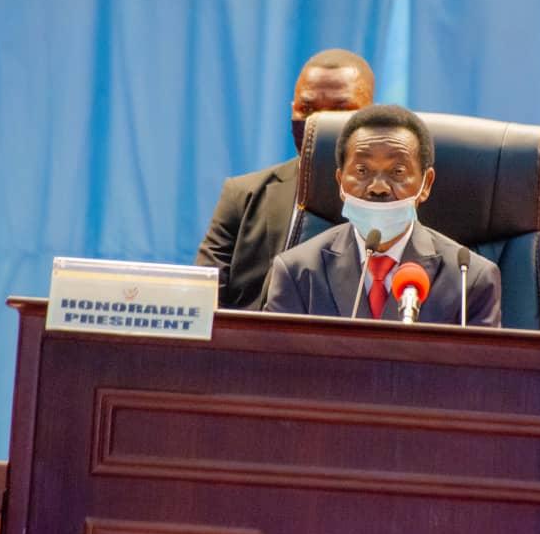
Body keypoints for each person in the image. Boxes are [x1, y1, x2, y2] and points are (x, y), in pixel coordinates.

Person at [264, 105, 501, 326]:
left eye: (397, 171)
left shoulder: (470, 279)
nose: (378, 187)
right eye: (362, 171)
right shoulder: (297, 271)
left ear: (426, 184)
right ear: (340, 181)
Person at [195, 49, 375, 310]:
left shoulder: (398, 204)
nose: (319, 123)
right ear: (293, 109)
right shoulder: (243, 195)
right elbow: (202, 303)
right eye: (307, 109)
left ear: (371, 115)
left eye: (340, 110)